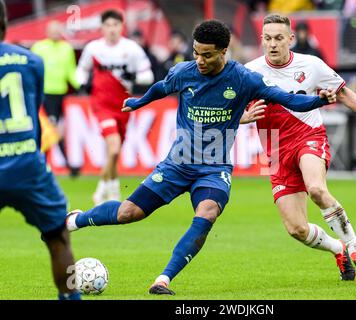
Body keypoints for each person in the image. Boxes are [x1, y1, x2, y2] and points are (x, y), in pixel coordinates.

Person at [66, 19, 337, 295]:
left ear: (223, 52)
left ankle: (163, 279)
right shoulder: (184, 71)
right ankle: (77, 219)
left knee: (206, 212)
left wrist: (320, 100)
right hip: (177, 164)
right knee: (127, 213)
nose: (199, 60)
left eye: (206, 55)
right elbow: (162, 87)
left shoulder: (244, 79)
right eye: (196, 52)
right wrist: (139, 102)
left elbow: (287, 99)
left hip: (214, 169)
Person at [240, 14, 356, 280]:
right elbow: (231, 112)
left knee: (317, 189)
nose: (273, 44)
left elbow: (343, 92)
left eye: (278, 38)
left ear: (291, 39)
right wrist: (243, 117)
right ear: (261, 40)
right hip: (275, 149)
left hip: (307, 135)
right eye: (267, 39)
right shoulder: (248, 72)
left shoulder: (310, 65)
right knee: (296, 229)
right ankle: (338, 249)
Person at [0, 0, 80, 300]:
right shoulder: (31, 61)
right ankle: (71, 298)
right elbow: (35, 117)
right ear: (5, 25)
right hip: (26, 164)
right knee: (59, 237)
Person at [76, 9, 153, 205]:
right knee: (114, 146)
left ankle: (112, 184)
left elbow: (148, 75)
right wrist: (82, 83)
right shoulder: (93, 48)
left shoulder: (132, 49)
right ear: (102, 28)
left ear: (122, 27)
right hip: (101, 105)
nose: (112, 29)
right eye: (108, 25)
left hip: (124, 106)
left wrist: (134, 78)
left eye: (115, 25)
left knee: (115, 150)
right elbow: (81, 71)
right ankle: (103, 191)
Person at [31, 20, 80, 176]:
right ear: (47, 31)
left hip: (60, 94)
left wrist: (82, 86)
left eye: (57, 30)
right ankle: (49, 163)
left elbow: (71, 72)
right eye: (52, 30)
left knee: (56, 131)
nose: (55, 33)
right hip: (43, 94)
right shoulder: (38, 47)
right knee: (49, 129)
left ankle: (51, 164)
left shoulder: (66, 49)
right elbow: (32, 71)